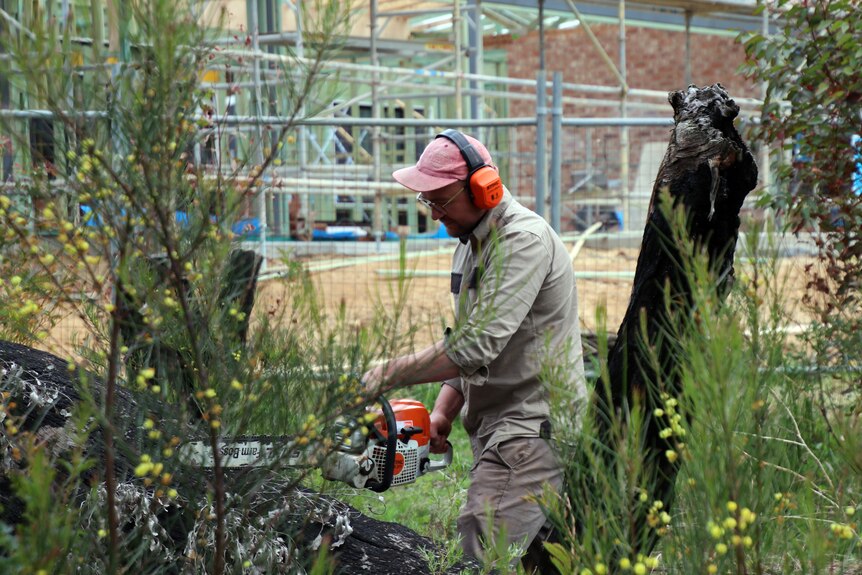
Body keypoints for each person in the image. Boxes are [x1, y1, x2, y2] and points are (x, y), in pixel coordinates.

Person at [362, 130, 587, 571]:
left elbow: (476, 345)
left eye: (441, 199)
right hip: (501, 428)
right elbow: (469, 340)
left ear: (484, 187)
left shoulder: (522, 241)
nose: (434, 212)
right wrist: (443, 411)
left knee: (479, 551)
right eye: (428, 200)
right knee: (548, 563)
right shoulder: (472, 245)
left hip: (530, 430)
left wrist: (391, 372)